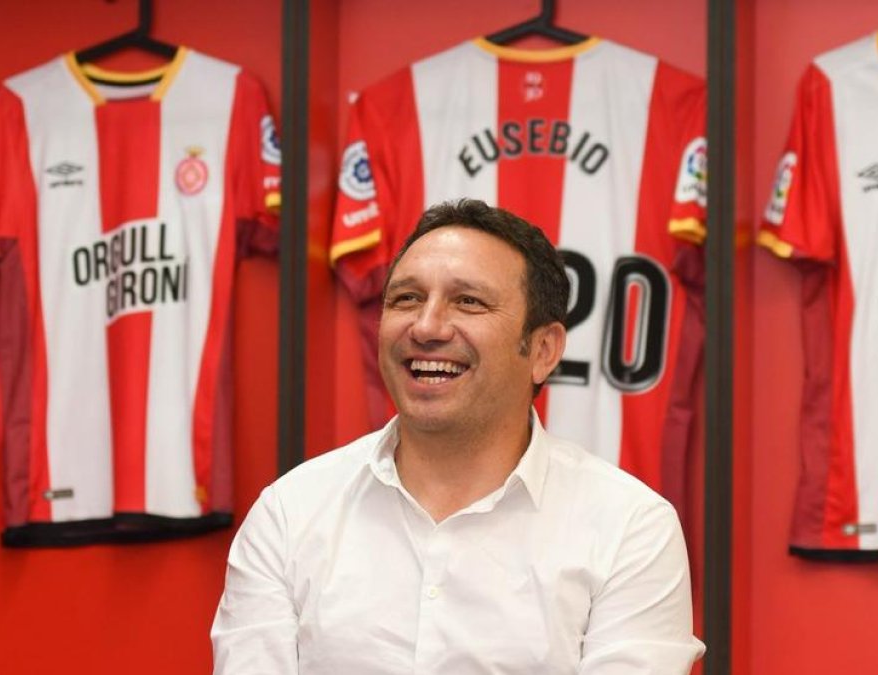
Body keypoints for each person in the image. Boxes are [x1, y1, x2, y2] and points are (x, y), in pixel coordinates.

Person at [211, 199, 705, 673]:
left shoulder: (630, 529)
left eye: (468, 301)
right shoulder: (290, 513)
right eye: (406, 298)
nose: (426, 327)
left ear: (543, 349)